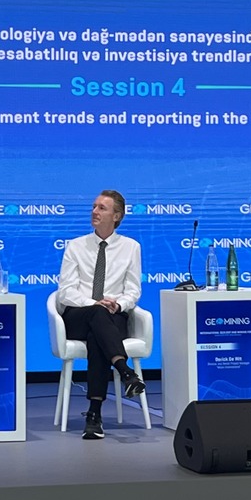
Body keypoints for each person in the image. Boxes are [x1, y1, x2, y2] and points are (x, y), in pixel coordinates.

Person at [55, 189, 147, 440]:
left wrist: (118, 305)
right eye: (94, 206)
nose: (94, 211)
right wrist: (94, 303)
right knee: (97, 315)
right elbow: (66, 292)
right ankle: (125, 371)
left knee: (99, 335)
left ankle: (94, 414)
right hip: (79, 316)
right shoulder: (76, 246)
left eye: (101, 208)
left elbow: (133, 290)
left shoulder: (131, 247)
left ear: (116, 216)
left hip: (113, 317)